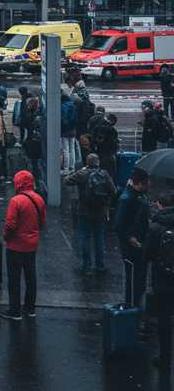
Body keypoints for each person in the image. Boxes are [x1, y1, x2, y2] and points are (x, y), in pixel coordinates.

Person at [1, 169, 46, 321]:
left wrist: (6, 238)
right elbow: (43, 223)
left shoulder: (16, 201)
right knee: (30, 276)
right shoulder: (38, 199)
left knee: (14, 279)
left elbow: (10, 225)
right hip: (32, 244)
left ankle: (15, 310)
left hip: (15, 246)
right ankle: (30, 308)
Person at [64, 153, 116, 274]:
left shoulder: (82, 174)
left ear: (87, 163)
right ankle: (100, 265)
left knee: (85, 238)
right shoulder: (104, 174)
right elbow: (113, 191)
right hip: (100, 212)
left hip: (84, 212)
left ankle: (86, 265)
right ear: (98, 163)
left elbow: (66, 180)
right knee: (99, 238)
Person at [144, 190, 174, 371]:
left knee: (164, 320)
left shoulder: (155, 227)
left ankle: (164, 358)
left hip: (163, 280)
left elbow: (147, 255)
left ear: (160, 205)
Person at [115, 167, 151, 310]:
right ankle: (132, 306)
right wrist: (129, 238)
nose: (149, 186)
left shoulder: (137, 196)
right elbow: (119, 225)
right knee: (134, 279)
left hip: (138, 243)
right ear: (139, 184)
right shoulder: (127, 199)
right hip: (132, 246)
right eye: (147, 183)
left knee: (138, 278)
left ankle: (134, 305)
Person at [92, 112, 120, 183]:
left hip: (98, 153)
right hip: (109, 154)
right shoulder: (111, 130)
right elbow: (113, 142)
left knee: (99, 173)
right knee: (110, 174)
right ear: (112, 121)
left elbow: (95, 139)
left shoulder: (96, 127)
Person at [60, 92, 78, 174]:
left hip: (65, 130)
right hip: (73, 129)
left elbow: (63, 119)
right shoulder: (73, 105)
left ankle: (66, 168)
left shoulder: (62, 106)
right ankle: (72, 167)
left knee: (65, 150)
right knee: (72, 149)